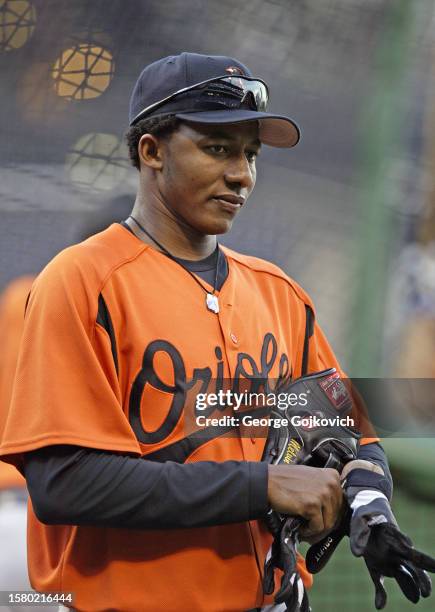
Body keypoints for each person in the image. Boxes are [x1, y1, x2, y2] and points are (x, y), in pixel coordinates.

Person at [0, 52, 393, 612]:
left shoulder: (278, 292)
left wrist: (368, 498)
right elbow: (66, 483)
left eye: (251, 155)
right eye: (218, 149)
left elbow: (347, 435)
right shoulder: (85, 280)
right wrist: (263, 485)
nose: (242, 174)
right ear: (152, 150)